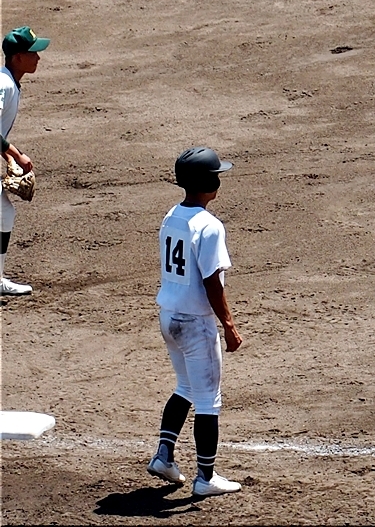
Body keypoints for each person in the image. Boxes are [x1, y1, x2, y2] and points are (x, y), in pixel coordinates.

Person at [147, 146, 244, 497]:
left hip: (169, 316)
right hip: (194, 323)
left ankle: (164, 456)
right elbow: (211, 282)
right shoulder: (210, 226)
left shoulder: (171, 216)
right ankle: (206, 477)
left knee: (185, 388)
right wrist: (228, 325)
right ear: (208, 182)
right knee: (207, 400)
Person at [1, 26, 50, 296]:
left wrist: (9, 156)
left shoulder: (10, 82)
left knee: (4, 213)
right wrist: (16, 154)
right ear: (18, 57)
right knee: (3, 213)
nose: (38, 58)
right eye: (33, 53)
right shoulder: (4, 84)